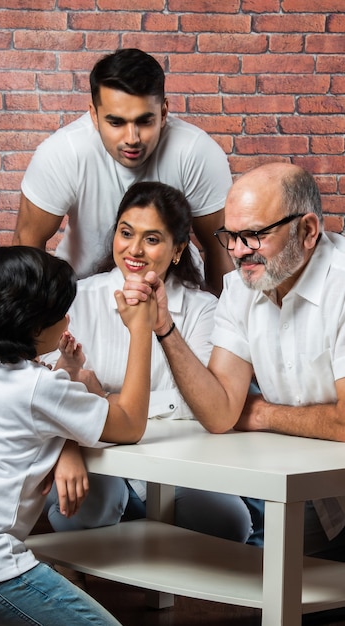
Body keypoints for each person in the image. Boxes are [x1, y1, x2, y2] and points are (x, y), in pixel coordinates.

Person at [0, 245, 157, 626]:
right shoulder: (38, 388)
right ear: (32, 327)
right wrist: (141, 330)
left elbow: (35, 413)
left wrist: (67, 377)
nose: (68, 320)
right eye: (59, 315)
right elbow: (131, 424)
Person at [123, 162, 345, 558]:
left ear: (308, 231)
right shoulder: (241, 288)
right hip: (321, 498)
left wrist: (263, 415)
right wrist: (164, 328)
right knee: (280, 602)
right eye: (231, 236)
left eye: (254, 235)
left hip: (325, 489)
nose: (239, 252)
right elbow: (221, 413)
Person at [43, 181, 252, 543]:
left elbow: (203, 407)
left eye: (152, 239)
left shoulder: (203, 309)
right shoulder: (79, 298)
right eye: (126, 233)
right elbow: (46, 386)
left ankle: (141, 538)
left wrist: (107, 403)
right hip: (95, 455)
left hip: (174, 461)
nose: (134, 250)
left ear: (177, 250)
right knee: (86, 512)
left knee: (233, 525)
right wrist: (77, 439)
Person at [14, 47, 234, 294]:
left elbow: (220, 249)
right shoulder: (63, 153)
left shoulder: (196, 152)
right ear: (94, 116)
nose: (132, 138)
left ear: (163, 113)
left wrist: (220, 323)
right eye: (116, 122)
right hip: (81, 293)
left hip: (173, 295)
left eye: (144, 121)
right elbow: (27, 244)